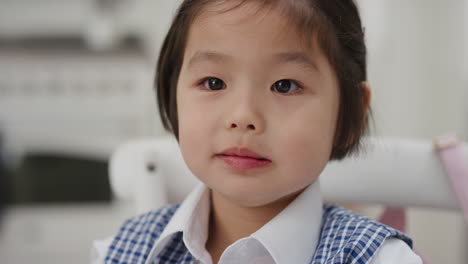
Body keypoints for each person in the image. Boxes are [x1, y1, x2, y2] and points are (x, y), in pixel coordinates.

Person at [93, 0, 423, 263]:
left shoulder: (382, 258)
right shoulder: (122, 252)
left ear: (349, 113)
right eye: (213, 82)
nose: (243, 117)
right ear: (172, 93)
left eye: (285, 85)